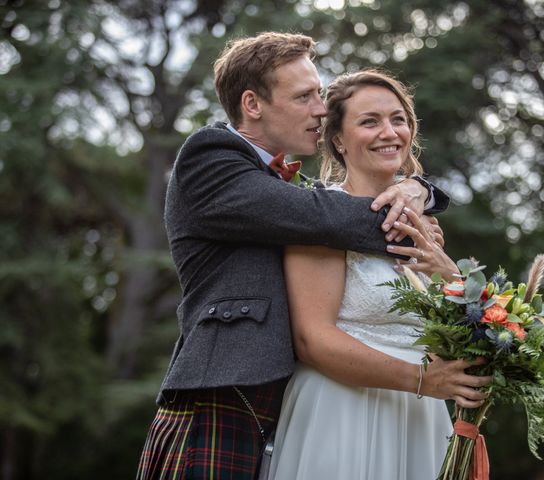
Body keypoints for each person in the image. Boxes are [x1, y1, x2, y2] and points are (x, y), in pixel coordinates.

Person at [136, 33, 449, 480]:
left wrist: (419, 189)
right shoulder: (210, 158)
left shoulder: (279, 181)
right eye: (304, 96)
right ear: (253, 104)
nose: (320, 110)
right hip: (218, 399)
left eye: (319, 94)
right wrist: (418, 199)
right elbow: (320, 216)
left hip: (271, 404)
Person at [268, 70, 492, 480]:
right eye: (369, 121)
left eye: (398, 119)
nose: (388, 132)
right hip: (343, 413)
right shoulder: (318, 215)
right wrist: (424, 379)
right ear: (338, 139)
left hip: (420, 418)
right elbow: (311, 339)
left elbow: (477, 327)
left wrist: (446, 270)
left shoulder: (424, 225)